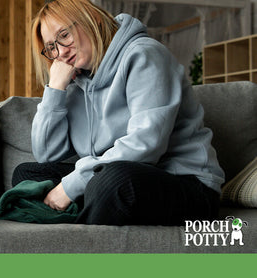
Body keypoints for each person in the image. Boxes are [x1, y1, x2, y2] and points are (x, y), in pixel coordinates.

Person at [12, 0, 225, 226]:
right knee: (27, 175)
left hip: (185, 184)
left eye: (64, 35)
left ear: (91, 19)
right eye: (52, 47)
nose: (61, 52)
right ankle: (96, 208)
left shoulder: (144, 55)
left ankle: (79, 237)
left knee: (113, 182)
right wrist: (55, 90)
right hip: (112, 178)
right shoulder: (76, 81)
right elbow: (46, 154)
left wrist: (71, 186)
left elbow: (146, 145)